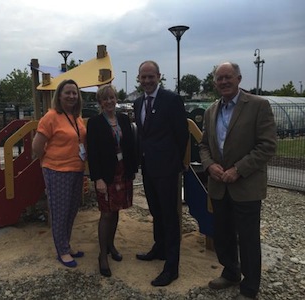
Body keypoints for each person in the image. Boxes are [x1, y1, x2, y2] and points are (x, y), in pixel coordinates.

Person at [199, 62, 277, 300]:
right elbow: (203, 145)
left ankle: (250, 286)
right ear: (214, 84)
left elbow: (267, 146)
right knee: (222, 235)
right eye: (219, 79)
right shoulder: (211, 110)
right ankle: (230, 272)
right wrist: (209, 164)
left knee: (248, 238)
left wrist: (238, 170)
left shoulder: (258, 106)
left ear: (239, 79)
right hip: (219, 186)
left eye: (228, 77)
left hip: (245, 187)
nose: (223, 82)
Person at [133, 60, 189, 286]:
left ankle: (172, 267)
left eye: (150, 77)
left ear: (158, 77)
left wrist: (172, 161)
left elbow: (181, 135)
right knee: (156, 211)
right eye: (143, 77)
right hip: (148, 168)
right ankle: (160, 248)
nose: (147, 81)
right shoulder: (138, 103)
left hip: (166, 169)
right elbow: (143, 136)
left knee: (170, 216)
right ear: (139, 78)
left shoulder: (171, 100)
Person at [32, 79, 87, 268]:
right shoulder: (51, 117)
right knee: (60, 212)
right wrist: (47, 162)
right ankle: (62, 251)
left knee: (71, 211)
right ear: (59, 95)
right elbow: (37, 145)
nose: (72, 96)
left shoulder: (76, 116)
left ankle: (66, 244)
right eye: (67, 93)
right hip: (57, 171)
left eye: (74, 93)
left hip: (76, 169)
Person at [86, 84, 137, 277]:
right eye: (104, 99)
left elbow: (130, 147)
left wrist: (132, 170)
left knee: (116, 211)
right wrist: (97, 178)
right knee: (106, 213)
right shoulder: (95, 123)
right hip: (105, 173)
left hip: (122, 171)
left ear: (116, 99)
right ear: (100, 103)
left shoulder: (124, 119)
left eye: (112, 98)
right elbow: (93, 153)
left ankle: (111, 245)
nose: (109, 102)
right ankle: (102, 255)